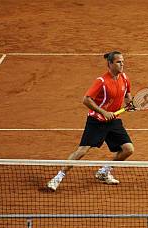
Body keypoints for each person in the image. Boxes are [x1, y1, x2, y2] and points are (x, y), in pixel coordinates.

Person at [47, 51, 135, 191]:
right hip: (97, 121)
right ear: (110, 64)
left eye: (123, 61)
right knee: (82, 151)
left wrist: (130, 103)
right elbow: (86, 100)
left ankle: (104, 172)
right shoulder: (101, 81)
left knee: (128, 149)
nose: (122, 64)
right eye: (118, 62)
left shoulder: (124, 78)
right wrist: (103, 112)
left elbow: (127, 94)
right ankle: (58, 177)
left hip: (113, 120)